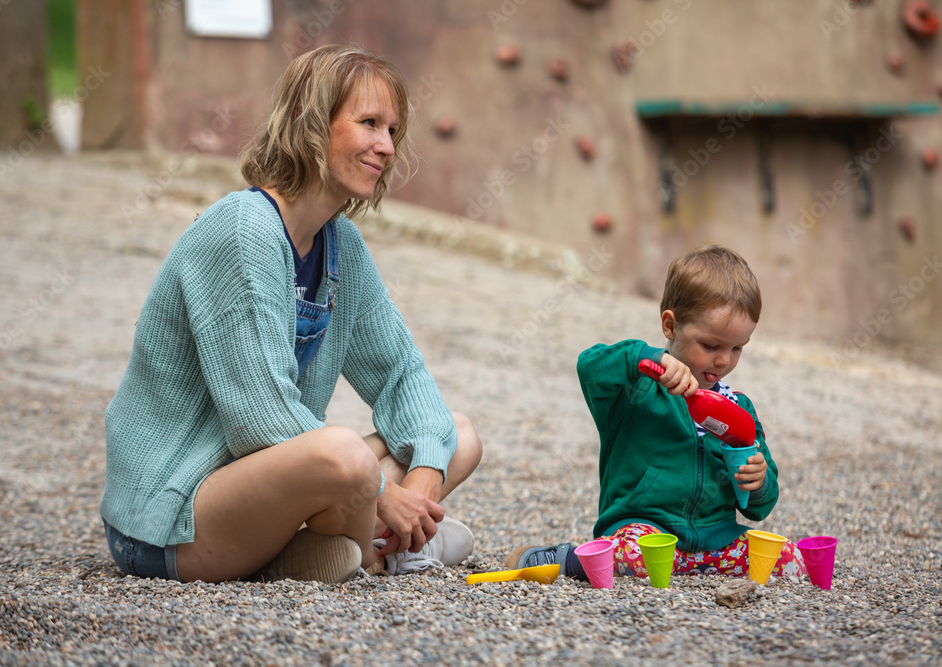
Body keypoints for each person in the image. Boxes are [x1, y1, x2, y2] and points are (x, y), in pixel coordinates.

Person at [99, 44, 482, 585]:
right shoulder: (243, 230)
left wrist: (423, 477)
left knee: (454, 436)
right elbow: (261, 419)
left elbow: (400, 373)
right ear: (311, 123)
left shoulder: (340, 246)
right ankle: (382, 552)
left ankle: (327, 554)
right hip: (168, 524)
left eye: (393, 130)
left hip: (259, 498)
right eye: (369, 123)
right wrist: (385, 494)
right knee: (345, 455)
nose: (387, 146)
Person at [505, 246, 804, 580]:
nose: (724, 360)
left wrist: (759, 482)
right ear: (670, 325)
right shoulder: (637, 390)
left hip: (715, 541)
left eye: (737, 348)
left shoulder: (738, 409)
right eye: (710, 346)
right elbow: (589, 366)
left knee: (788, 558)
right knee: (634, 556)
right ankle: (568, 560)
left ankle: (669, 565)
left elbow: (760, 507)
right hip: (645, 533)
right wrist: (647, 359)